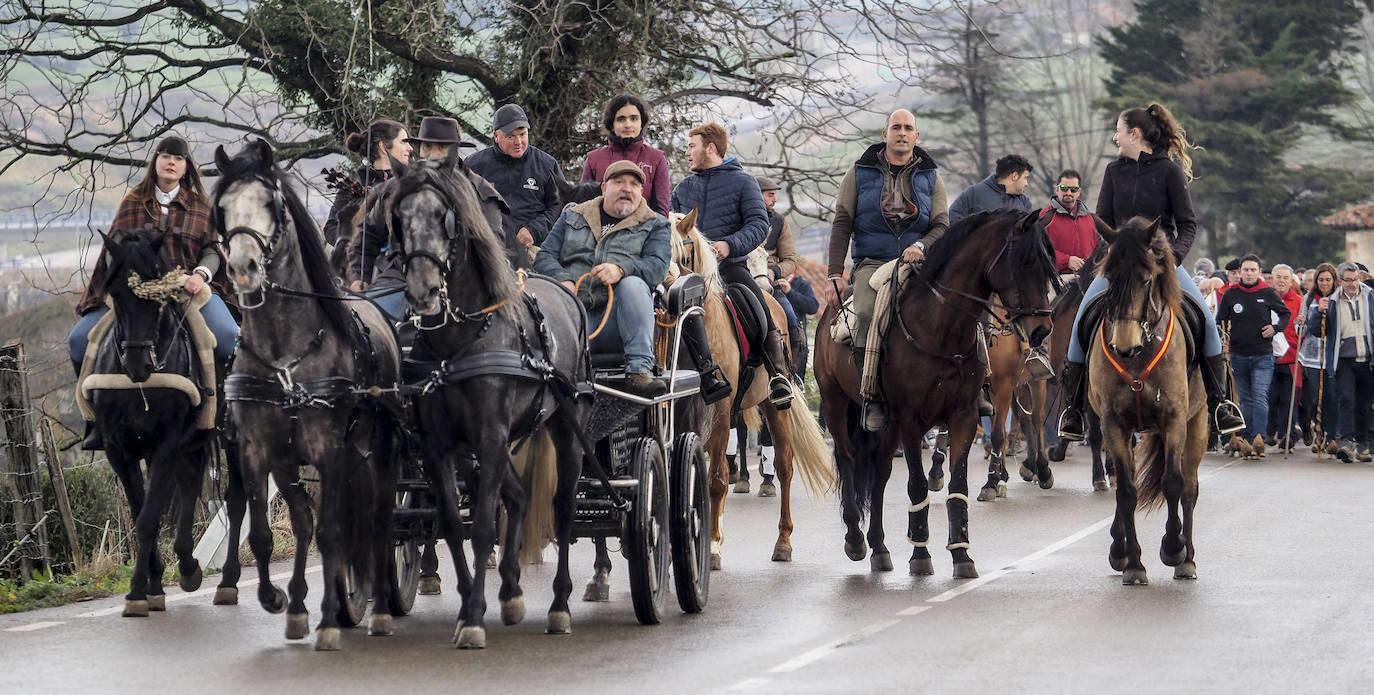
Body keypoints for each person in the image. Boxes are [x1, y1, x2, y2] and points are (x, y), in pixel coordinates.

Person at [1058, 103, 1245, 441]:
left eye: (1118, 130)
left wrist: (1170, 258)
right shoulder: (1113, 171)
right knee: (1081, 321)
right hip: (1119, 263)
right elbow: (1104, 220)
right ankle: (1072, 409)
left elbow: (1188, 224)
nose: (1114, 137)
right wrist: (1106, 257)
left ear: (1135, 133)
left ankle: (1221, 403)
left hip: (1162, 263)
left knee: (1205, 321)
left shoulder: (1170, 172)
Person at [68, 135, 240, 449]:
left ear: (186, 166)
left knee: (229, 336)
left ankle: (223, 415)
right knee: (78, 341)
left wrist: (200, 275)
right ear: (156, 162)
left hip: (187, 289)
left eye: (178, 158)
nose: (171, 162)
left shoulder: (200, 205)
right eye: (165, 156)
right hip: (134, 291)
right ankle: (95, 421)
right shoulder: (133, 200)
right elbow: (113, 247)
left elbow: (213, 250)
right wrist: (124, 276)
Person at [827, 109, 971, 429]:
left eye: (908, 128)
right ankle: (872, 395)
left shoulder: (932, 176)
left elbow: (941, 225)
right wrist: (835, 273)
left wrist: (920, 246)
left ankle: (978, 384)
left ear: (916, 136)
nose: (902, 132)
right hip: (872, 262)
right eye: (896, 127)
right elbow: (842, 223)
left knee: (960, 306)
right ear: (885, 135)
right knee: (864, 311)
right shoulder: (859, 172)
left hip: (919, 262)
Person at [671, 123, 794, 407]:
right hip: (688, 272)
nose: (687, 152)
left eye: (692, 146)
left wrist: (729, 245)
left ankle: (777, 374)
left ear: (710, 148)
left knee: (760, 308)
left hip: (729, 267)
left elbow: (758, 224)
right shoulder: (683, 188)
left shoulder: (744, 182)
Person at [348, 116, 509, 320]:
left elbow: (493, 249)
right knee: (364, 324)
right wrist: (359, 276)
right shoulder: (396, 188)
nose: (432, 154)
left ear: (454, 150)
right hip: (399, 278)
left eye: (441, 148)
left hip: (462, 287)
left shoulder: (480, 193)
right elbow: (367, 236)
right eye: (427, 147)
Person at [534, 160, 671, 397]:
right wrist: (562, 279)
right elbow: (544, 256)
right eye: (619, 182)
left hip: (616, 325)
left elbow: (657, 267)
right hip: (569, 320)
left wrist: (621, 269)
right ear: (604, 187)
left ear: (641, 192)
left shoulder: (656, 225)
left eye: (634, 184)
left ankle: (638, 371)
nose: (626, 188)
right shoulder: (572, 214)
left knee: (634, 284)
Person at [465, 104, 567, 260]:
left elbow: (561, 206)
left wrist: (534, 230)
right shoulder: (474, 165)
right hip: (486, 248)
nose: (518, 142)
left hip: (534, 248)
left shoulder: (547, 164)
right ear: (496, 136)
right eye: (510, 137)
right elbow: (463, 205)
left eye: (522, 134)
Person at [1215, 255, 1290, 446]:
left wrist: (1276, 328)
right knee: (1246, 399)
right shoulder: (1231, 294)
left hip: (1262, 355)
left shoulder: (1267, 292)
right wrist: (1223, 339)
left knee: (1259, 395)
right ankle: (1247, 437)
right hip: (1238, 354)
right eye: (1245, 270)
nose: (1249, 274)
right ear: (1240, 272)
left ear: (1259, 271)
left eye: (1253, 270)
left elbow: (1285, 313)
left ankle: (1259, 437)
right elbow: (1220, 321)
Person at [1308, 262, 1374, 462]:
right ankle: (1346, 441)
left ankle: (1362, 444)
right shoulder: (1332, 301)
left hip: (1368, 358)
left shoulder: (1370, 296)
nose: (1354, 284)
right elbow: (1316, 331)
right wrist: (1319, 312)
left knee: (1364, 403)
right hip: (1343, 359)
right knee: (1346, 399)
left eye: (1356, 279)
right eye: (1349, 280)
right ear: (1340, 281)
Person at [322, 119, 412, 247]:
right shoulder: (355, 182)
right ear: (383, 147)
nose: (410, 148)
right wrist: (357, 243)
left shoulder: (413, 182)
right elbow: (331, 228)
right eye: (403, 142)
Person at [580, 94, 671, 215]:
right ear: (612, 124)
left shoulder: (657, 158)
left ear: (641, 122)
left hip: (643, 231)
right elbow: (583, 206)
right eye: (621, 119)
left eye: (634, 118)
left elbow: (662, 211)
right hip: (600, 231)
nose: (628, 125)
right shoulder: (594, 159)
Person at [756, 175, 807, 364]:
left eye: (775, 195)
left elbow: (791, 260)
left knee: (791, 319)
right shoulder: (740, 218)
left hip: (770, 281)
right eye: (770, 195)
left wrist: (774, 272)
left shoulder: (779, 222)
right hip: (743, 277)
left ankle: (792, 369)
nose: (775, 199)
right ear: (756, 195)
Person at [1296, 263, 1338, 447]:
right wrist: (1301, 322)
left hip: (1333, 355)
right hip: (1312, 356)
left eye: (1328, 280)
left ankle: (1330, 435)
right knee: (1314, 398)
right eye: (1321, 280)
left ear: (1334, 280)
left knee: (1331, 396)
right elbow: (1301, 330)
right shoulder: (1308, 299)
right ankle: (1317, 430)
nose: (1324, 283)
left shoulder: (1339, 298)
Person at [1267, 263, 1303, 446]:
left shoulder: (1299, 302)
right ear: (1272, 279)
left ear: (1291, 281)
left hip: (1291, 359)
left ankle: (1288, 434)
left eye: (1285, 278)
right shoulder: (1265, 299)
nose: (1282, 281)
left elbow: (1303, 333)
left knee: (1289, 399)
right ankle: (1270, 431)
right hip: (1269, 358)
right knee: (1270, 397)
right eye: (1278, 277)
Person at [948, 154, 1034, 223]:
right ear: (1014, 176)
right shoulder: (973, 194)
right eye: (1025, 177)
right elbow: (952, 222)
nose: (1026, 184)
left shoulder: (1025, 202)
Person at [1042, 169, 1098, 274]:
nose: (1068, 192)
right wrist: (1066, 261)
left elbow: (1098, 249)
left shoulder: (1089, 218)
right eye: (1064, 188)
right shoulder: (1044, 217)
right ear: (1057, 189)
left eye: (1073, 189)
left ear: (1079, 192)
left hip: (1087, 279)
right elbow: (1037, 249)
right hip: (1057, 277)